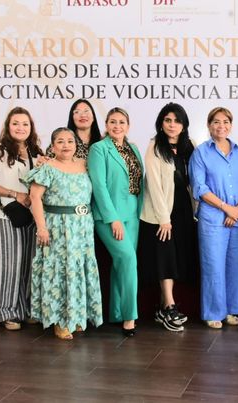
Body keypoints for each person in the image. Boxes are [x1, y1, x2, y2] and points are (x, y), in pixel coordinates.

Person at [25, 127, 103, 340]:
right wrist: (41, 227)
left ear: (76, 145)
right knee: (60, 271)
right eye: (60, 141)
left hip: (82, 227)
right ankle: (60, 320)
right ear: (52, 146)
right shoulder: (47, 167)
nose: (66, 145)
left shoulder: (85, 164)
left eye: (70, 141)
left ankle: (76, 316)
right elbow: (35, 197)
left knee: (78, 269)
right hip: (57, 227)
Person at [189, 107, 238, 329]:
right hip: (212, 219)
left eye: (225, 121)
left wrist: (237, 210)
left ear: (231, 125)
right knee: (213, 265)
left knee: (235, 266)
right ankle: (213, 312)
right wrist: (226, 208)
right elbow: (199, 187)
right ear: (209, 125)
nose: (221, 126)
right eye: (216, 122)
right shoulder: (200, 153)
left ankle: (231, 310)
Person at [0, 107, 44, 331]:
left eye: (25, 124)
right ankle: (7, 312)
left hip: (30, 216)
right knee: (11, 264)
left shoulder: (35, 151)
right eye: (16, 123)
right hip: (5, 215)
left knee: (28, 264)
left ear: (31, 127)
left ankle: (25, 310)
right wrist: (15, 194)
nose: (21, 128)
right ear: (8, 126)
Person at [139, 103, 196, 332]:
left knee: (177, 257)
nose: (172, 125)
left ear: (184, 124)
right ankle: (170, 306)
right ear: (161, 123)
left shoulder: (190, 146)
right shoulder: (155, 146)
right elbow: (153, 185)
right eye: (168, 120)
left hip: (183, 208)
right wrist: (164, 218)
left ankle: (162, 309)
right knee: (165, 256)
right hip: (160, 211)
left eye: (177, 121)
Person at [88, 107, 144, 337]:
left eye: (122, 122)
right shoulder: (99, 149)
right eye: (113, 121)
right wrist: (113, 219)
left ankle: (117, 311)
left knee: (122, 264)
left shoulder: (134, 148)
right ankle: (130, 316)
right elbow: (99, 186)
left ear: (128, 126)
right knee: (128, 259)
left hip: (133, 212)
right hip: (109, 215)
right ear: (106, 125)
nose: (117, 126)